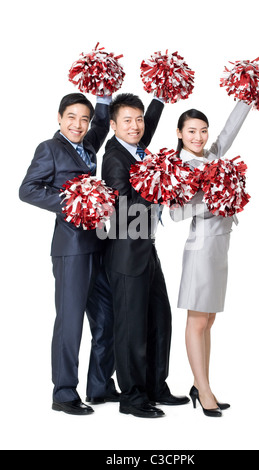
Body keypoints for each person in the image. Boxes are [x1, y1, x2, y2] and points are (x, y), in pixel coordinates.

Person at [19, 93, 119, 416]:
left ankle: (100, 386)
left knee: (107, 317)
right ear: (59, 118)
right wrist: (72, 201)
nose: (78, 124)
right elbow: (28, 189)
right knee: (70, 321)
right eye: (71, 117)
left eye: (84, 119)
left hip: (97, 245)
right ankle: (63, 393)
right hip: (71, 248)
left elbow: (104, 124)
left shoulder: (87, 146)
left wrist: (104, 95)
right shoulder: (49, 149)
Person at [101, 93, 190, 418]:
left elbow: (146, 126)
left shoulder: (136, 149)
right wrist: (158, 187)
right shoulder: (114, 157)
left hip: (145, 249)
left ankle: (155, 386)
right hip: (125, 252)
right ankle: (133, 397)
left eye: (139, 119)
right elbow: (122, 208)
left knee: (159, 319)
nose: (136, 126)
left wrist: (159, 99)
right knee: (131, 328)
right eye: (128, 120)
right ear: (113, 125)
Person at [170, 100, 251, 417]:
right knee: (198, 320)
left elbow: (230, 130)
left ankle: (199, 383)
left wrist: (247, 96)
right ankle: (204, 391)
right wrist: (216, 202)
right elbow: (176, 213)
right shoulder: (179, 168)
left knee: (210, 320)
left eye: (203, 130)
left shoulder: (212, 156)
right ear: (179, 133)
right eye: (191, 131)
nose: (199, 136)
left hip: (220, 247)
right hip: (200, 248)